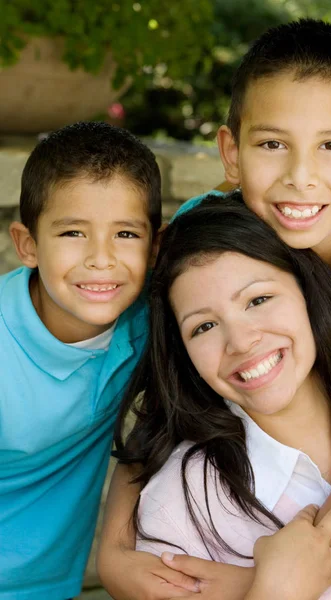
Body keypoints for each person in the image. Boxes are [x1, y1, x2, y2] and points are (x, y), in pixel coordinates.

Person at [98, 19, 331, 599]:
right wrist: (114, 552)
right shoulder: (211, 234)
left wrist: (277, 578)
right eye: (272, 144)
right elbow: (163, 394)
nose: (300, 178)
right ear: (231, 153)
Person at [112, 195, 331, 599]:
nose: (242, 342)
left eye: (258, 300)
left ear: (308, 290)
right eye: (204, 326)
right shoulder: (180, 506)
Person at [0, 121, 162, 600]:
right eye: (73, 232)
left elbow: (244, 188)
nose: (101, 258)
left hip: (50, 587)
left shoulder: (150, 315)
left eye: (126, 234)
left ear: (156, 246)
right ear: (27, 244)